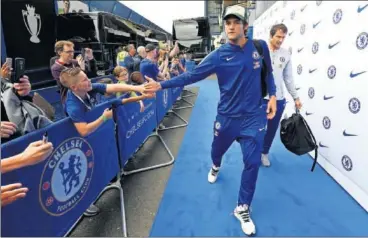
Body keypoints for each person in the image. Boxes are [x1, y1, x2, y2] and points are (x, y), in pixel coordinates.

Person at [143, 5, 277, 236]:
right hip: (227, 119)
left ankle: (242, 207)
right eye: (228, 23)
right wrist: (160, 85)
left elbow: (268, 74)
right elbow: (190, 76)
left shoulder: (260, 46)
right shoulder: (218, 55)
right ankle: (216, 165)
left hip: (254, 117)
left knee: (252, 162)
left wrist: (272, 95)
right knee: (217, 151)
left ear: (246, 26)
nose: (231, 26)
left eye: (236, 22)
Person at [59, 67, 153, 216]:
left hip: (97, 137)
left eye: (87, 77)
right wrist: (103, 118)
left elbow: (114, 88)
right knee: (83, 173)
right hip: (79, 144)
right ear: (74, 87)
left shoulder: (89, 88)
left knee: (101, 164)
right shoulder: (73, 106)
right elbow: (83, 130)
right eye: (84, 80)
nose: (89, 81)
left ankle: (106, 180)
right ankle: (84, 205)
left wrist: (138, 89)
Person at [261, 23, 302, 167]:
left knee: (271, 130)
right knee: (255, 129)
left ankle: (264, 153)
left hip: (278, 99)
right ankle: (253, 153)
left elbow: (288, 78)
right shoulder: (260, 51)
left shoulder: (286, 54)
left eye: (283, 37)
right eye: (278, 36)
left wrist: (295, 97)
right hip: (260, 99)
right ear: (271, 35)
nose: (280, 40)